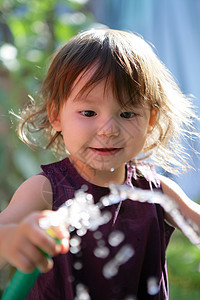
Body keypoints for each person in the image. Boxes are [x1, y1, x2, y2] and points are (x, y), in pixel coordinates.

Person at [0, 28, 200, 300]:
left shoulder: (156, 191)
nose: (108, 129)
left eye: (127, 113)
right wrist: (10, 240)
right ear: (56, 115)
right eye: (89, 112)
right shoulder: (45, 190)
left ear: (150, 120)